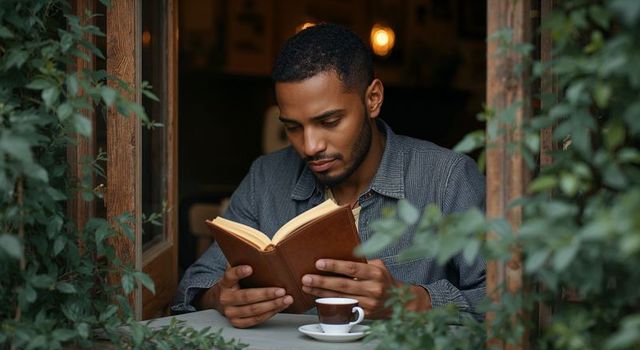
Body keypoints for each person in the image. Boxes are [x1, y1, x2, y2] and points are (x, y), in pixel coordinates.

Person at [172, 23, 485, 328]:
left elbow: (507, 302)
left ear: (373, 99)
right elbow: (196, 284)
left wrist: (414, 301)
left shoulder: (447, 179)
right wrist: (220, 299)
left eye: (329, 121)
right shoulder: (265, 178)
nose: (310, 146)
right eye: (292, 127)